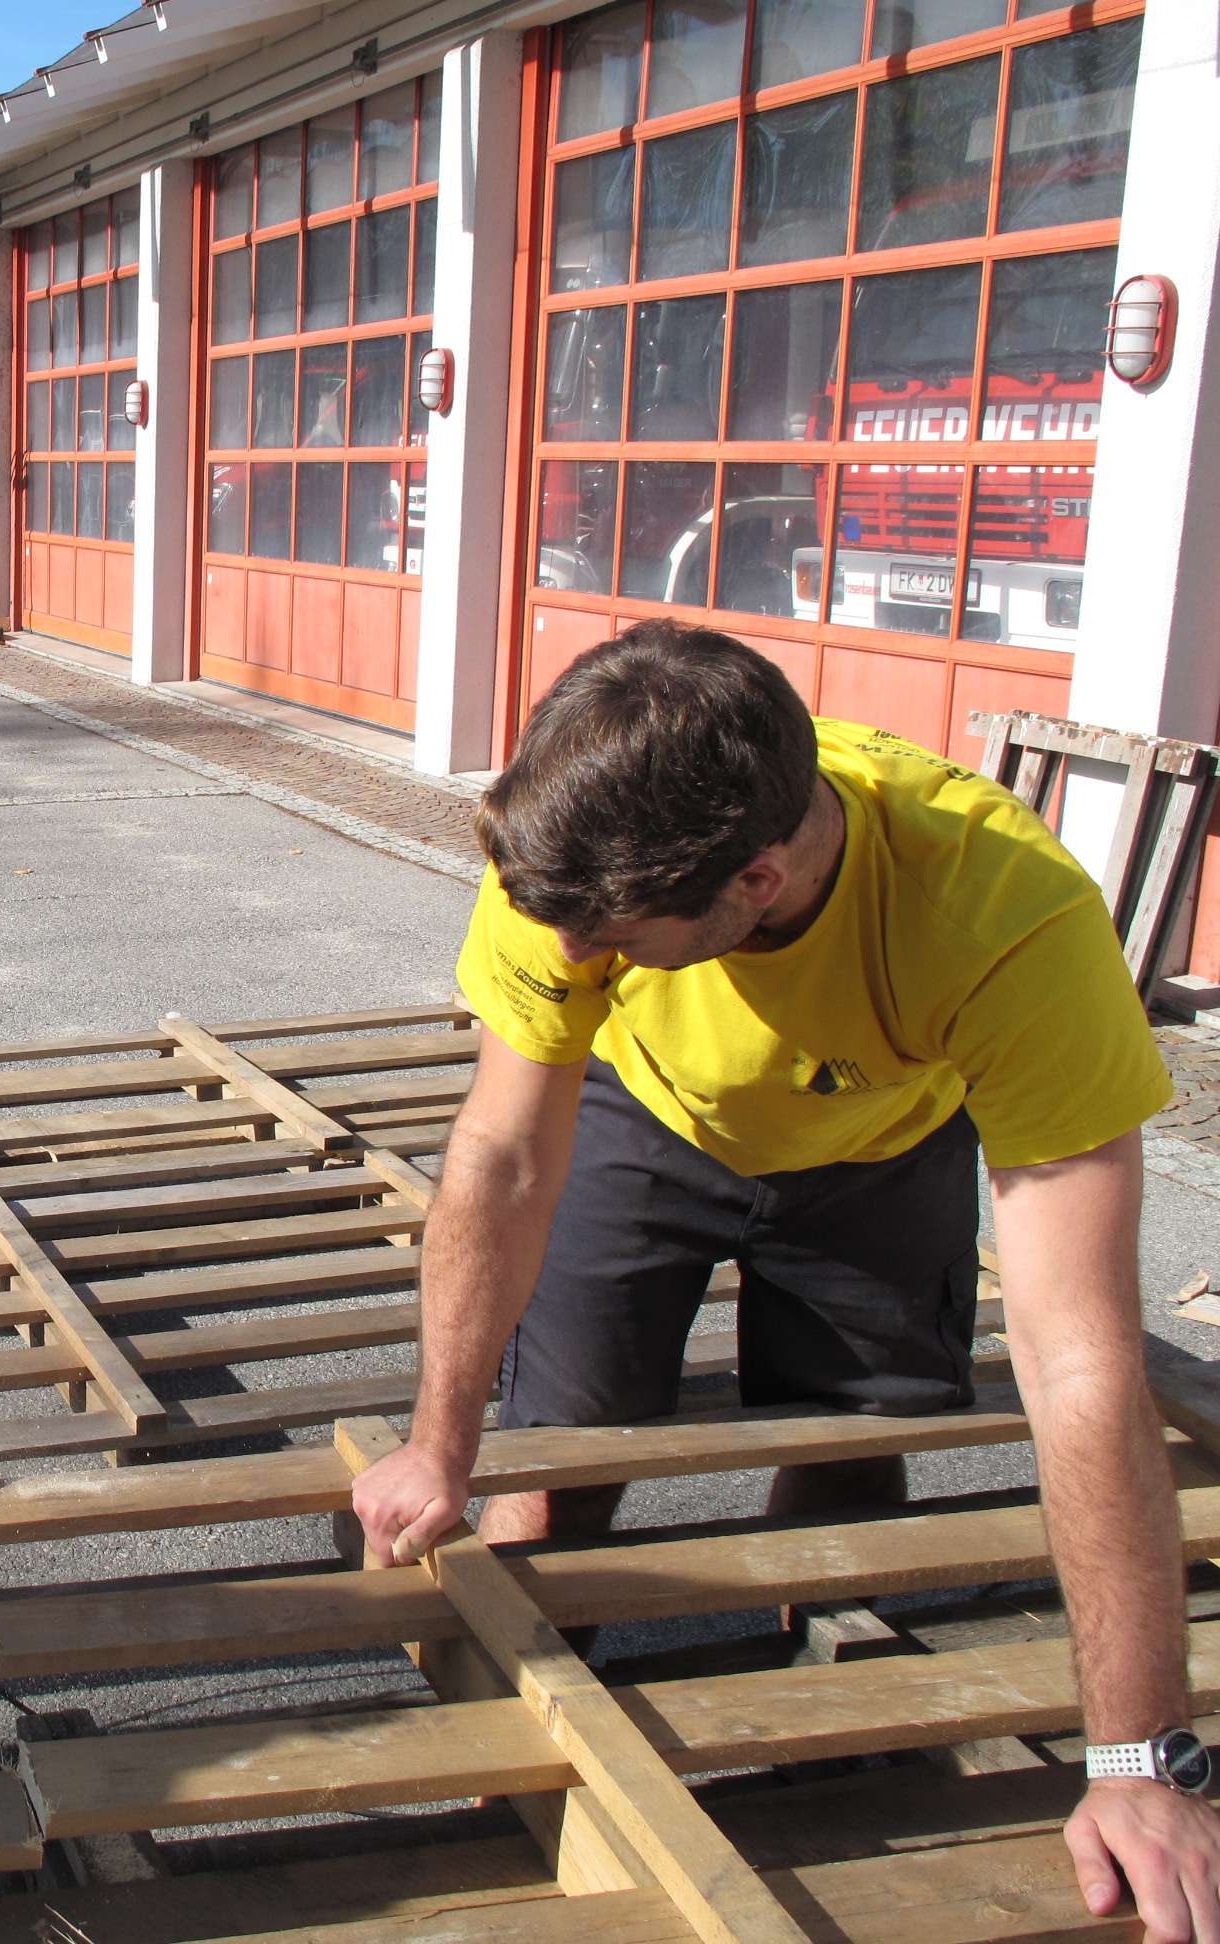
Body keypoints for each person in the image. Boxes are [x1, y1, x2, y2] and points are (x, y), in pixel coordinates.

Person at [349, 621, 1220, 1936]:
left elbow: (1083, 1355)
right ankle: (513, 1748)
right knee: (566, 1443)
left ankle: (826, 1744)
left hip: (883, 1139)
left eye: (613, 941)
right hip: (648, 1112)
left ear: (756, 881)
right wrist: (438, 1444)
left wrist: (1142, 1759)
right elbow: (505, 1158)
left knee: (856, 1446)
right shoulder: (568, 861)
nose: (577, 957)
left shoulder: (1005, 918)